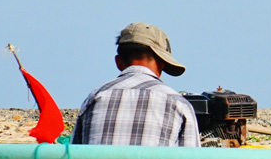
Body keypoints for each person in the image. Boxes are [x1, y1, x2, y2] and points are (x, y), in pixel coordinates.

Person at [72, 22, 200, 147]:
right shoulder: (178, 103)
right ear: (161, 64)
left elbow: (74, 157)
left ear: (118, 62)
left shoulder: (95, 97)